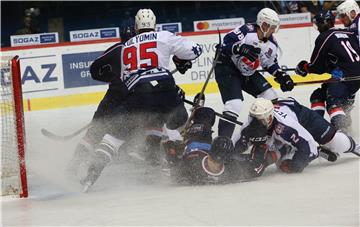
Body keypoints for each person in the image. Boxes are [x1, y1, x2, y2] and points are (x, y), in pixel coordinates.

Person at [80, 9, 202, 191]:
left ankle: (91, 175)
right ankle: (176, 167)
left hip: (137, 93)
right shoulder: (164, 36)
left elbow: (122, 77)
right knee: (175, 121)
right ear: (154, 24)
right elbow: (195, 50)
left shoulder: (126, 46)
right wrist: (179, 60)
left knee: (114, 137)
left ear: (136, 27)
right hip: (165, 86)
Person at [215, 7, 294, 139]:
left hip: (247, 72)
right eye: (272, 26)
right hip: (227, 67)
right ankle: (222, 144)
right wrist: (239, 48)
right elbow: (222, 46)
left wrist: (281, 75)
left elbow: (269, 63)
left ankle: (253, 134)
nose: (274, 30)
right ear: (263, 24)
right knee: (234, 103)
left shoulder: (272, 44)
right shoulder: (246, 31)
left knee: (271, 98)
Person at [234, 98, 359, 174]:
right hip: (282, 131)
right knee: (282, 164)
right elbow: (238, 143)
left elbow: (309, 146)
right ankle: (290, 147)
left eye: (260, 119)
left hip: (304, 118)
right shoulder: (250, 123)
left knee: (336, 142)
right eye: (253, 117)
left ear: (270, 117)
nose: (255, 121)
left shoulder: (286, 126)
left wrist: (296, 166)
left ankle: (355, 147)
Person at [164, 107, 269, 184]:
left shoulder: (232, 169)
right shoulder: (191, 167)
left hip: (196, 143)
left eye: (216, 162)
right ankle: (198, 110)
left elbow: (255, 167)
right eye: (213, 160)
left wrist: (261, 142)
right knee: (207, 113)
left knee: (206, 114)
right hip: (198, 141)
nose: (214, 165)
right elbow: (255, 168)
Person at [295, 10, 360, 131]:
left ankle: (342, 133)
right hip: (354, 76)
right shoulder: (349, 32)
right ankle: (317, 127)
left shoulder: (325, 37)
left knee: (333, 100)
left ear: (323, 23)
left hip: (344, 76)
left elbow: (316, 66)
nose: (318, 28)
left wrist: (304, 68)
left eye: (319, 24)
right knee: (318, 95)